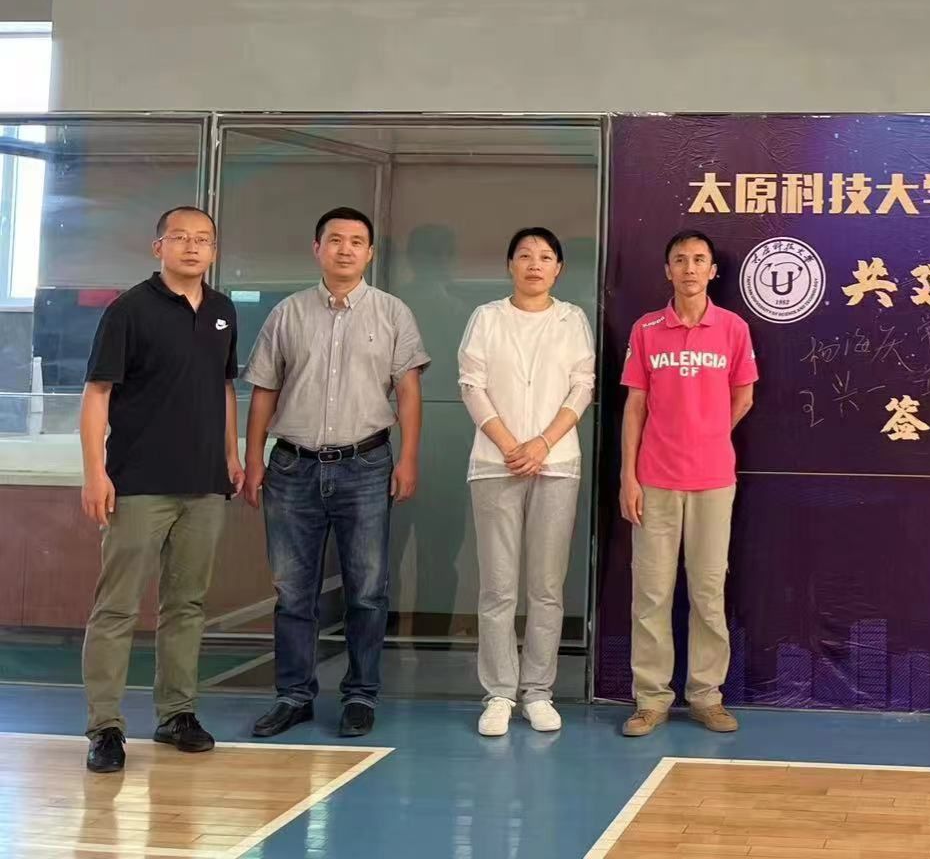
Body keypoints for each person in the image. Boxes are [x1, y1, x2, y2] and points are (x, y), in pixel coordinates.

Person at [242, 206, 429, 739]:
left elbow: (409, 393)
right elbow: (264, 391)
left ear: (370, 253)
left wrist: (409, 458)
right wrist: (254, 459)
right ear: (317, 248)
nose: (345, 249)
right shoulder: (287, 313)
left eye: (356, 242)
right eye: (335, 240)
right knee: (292, 591)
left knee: (366, 589)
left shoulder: (393, 313)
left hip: (366, 465)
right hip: (292, 466)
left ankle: (361, 695)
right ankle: (293, 695)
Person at [78, 207, 242, 773]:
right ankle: (105, 726)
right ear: (159, 247)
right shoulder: (128, 310)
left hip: (204, 484)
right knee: (117, 607)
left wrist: (231, 454)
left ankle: (177, 714)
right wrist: (95, 472)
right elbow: (97, 393)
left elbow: (224, 388)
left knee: (187, 604)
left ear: (214, 251)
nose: (192, 247)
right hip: (138, 482)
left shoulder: (222, 311)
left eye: (203, 240)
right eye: (180, 238)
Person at [618, 230, 757, 737]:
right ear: (668, 270)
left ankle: (706, 696)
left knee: (707, 591)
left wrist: (709, 433)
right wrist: (628, 476)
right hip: (654, 480)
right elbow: (635, 406)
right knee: (651, 594)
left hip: (713, 481)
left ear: (713, 270)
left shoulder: (733, 328)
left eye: (699, 260)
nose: (690, 268)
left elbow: (743, 396)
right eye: (680, 260)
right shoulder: (647, 329)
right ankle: (651, 699)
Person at [457, 227, 595, 736]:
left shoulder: (572, 319)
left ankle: (538, 691)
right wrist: (510, 444)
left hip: (556, 464)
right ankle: (498, 693)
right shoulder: (487, 317)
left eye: (545, 256)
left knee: (546, 586)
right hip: (496, 464)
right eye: (524, 255)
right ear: (510, 265)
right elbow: (471, 384)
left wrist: (541, 443)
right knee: (497, 586)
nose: (535, 264)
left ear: (559, 268)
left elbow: (582, 386)